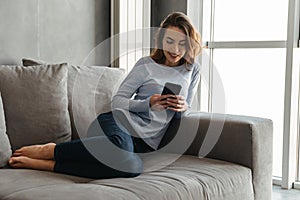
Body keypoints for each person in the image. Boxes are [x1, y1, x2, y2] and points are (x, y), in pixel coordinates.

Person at [8, 12, 202, 179]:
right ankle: (50, 150)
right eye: (169, 41)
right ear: (160, 40)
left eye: (181, 43)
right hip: (118, 125)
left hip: (144, 143)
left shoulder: (192, 70)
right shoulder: (146, 65)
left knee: (131, 166)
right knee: (118, 145)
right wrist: (147, 103)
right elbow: (117, 101)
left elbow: (186, 110)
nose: (174, 50)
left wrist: (182, 107)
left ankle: (49, 165)